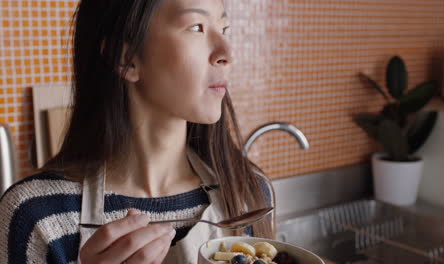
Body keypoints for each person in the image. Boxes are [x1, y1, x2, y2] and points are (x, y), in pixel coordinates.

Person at [0, 0, 275, 263]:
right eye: (196, 27)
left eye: (225, 29)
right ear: (126, 58)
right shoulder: (34, 215)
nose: (227, 52)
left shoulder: (248, 194)